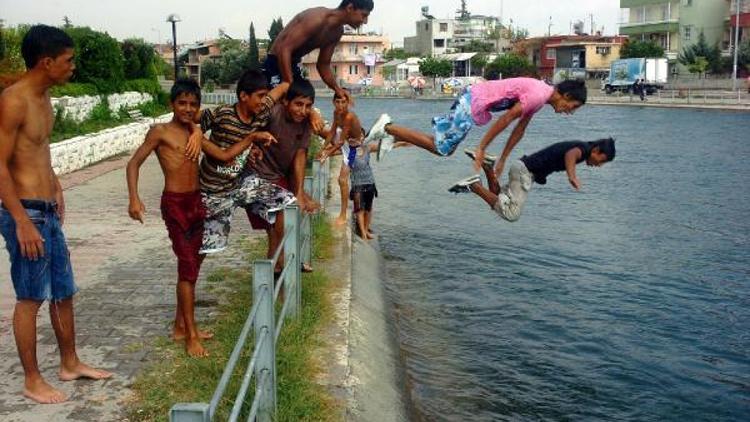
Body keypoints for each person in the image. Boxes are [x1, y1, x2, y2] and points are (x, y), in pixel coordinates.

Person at [0, 25, 111, 404]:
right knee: (31, 297)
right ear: (46, 62)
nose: (73, 67)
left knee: (63, 293)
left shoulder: (44, 97)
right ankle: (32, 380)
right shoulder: (14, 101)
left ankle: (70, 363)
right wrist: (20, 220)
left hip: (47, 210)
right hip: (26, 213)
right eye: (68, 60)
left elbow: (37, 151)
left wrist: (57, 184)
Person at [126, 79, 273, 357]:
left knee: (191, 267)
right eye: (182, 103)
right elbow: (133, 163)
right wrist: (134, 198)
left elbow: (224, 155)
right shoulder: (160, 133)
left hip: (197, 202)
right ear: (172, 104)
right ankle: (190, 336)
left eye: (193, 104)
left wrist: (251, 138)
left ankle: (181, 326)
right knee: (187, 267)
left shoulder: (196, 134)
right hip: (176, 204)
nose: (188, 108)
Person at [366, 78, 587, 178]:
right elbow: (505, 120)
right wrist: (481, 148)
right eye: (572, 106)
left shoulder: (541, 96)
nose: (570, 111)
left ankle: (390, 134)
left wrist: (502, 160)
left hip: (474, 100)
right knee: (442, 148)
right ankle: (388, 127)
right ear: (566, 95)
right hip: (473, 102)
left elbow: (519, 131)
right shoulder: (539, 95)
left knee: (443, 147)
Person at [184, 70, 297, 255]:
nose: (264, 100)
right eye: (260, 96)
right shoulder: (223, 114)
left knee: (284, 201)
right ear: (244, 96)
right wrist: (197, 133)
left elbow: (285, 86)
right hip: (214, 191)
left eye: (265, 95)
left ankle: (277, 260)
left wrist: (312, 116)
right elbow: (189, 117)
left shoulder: (261, 110)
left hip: (240, 182)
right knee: (204, 249)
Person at [246, 78, 324, 273]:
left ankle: (278, 267)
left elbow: (300, 155)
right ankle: (279, 266)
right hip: (257, 175)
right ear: (285, 102)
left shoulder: (305, 123)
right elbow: (249, 123)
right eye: (298, 104)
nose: (302, 110)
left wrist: (298, 191)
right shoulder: (272, 114)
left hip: (279, 176)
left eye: (308, 106)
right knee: (278, 221)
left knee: (279, 224)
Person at [451, 139, 616, 222]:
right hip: (525, 172)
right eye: (601, 160)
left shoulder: (582, 147)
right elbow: (570, 155)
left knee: (496, 197)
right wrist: (572, 176)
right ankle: (474, 186)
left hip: (521, 168)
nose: (599, 165)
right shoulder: (582, 150)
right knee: (511, 213)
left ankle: (487, 167)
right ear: (596, 150)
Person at [263, 0, 374, 103]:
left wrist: (337, 89)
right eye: (364, 15)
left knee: (303, 103)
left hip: (293, 65)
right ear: (350, 8)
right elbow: (284, 48)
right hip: (276, 61)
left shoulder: (336, 32)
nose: (365, 21)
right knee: (279, 107)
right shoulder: (316, 19)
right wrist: (289, 83)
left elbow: (323, 65)